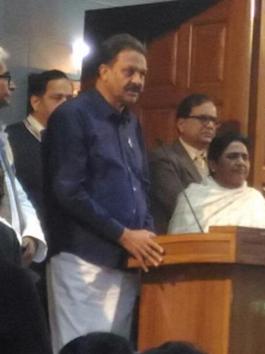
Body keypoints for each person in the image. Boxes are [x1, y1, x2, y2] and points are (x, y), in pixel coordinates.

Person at [43, 33, 164, 352]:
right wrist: (124, 234)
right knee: (82, 349)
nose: (138, 80)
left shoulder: (131, 123)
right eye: (129, 71)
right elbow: (68, 190)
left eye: (143, 74)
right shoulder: (73, 115)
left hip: (126, 261)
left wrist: (146, 234)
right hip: (82, 260)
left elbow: (142, 186)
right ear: (104, 71)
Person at [6, 69, 73, 312]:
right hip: (26, 251)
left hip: (64, 251)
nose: (66, 105)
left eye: (70, 98)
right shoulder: (11, 138)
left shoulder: (71, 140)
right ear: (35, 101)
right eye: (58, 98)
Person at [168, 131, 265, 233]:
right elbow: (181, 243)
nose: (240, 162)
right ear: (213, 165)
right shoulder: (193, 198)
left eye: (245, 157)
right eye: (232, 157)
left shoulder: (256, 199)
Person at [0, 46, 48, 268]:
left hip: (11, 254)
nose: (12, 85)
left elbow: (15, 191)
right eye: (5, 77)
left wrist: (30, 233)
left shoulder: (1, 137)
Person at [150, 94, 219, 234]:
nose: (210, 125)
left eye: (213, 120)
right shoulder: (164, 158)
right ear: (181, 124)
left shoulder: (217, 162)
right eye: (203, 119)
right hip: (177, 242)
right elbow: (180, 205)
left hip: (213, 242)